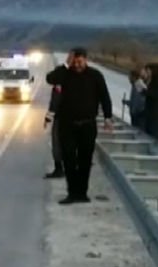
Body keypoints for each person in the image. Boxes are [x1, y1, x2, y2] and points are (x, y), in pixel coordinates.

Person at [46, 47, 112, 205]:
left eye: (79, 61)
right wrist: (65, 65)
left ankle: (82, 193)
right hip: (67, 125)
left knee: (85, 160)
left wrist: (108, 118)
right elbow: (50, 79)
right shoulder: (65, 74)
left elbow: (104, 96)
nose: (77, 64)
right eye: (74, 61)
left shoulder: (95, 75)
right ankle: (72, 193)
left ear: (85, 60)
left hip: (87, 125)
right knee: (69, 159)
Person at [43, 51, 73, 179]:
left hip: (66, 117)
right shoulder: (60, 81)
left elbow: (55, 101)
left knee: (59, 143)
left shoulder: (64, 79)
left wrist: (48, 117)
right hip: (69, 117)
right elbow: (50, 79)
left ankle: (60, 169)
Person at [143, 63, 158, 140]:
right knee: (148, 130)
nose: (147, 72)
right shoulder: (150, 80)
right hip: (149, 110)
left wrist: (146, 92)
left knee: (154, 132)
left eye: (148, 71)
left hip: (156, 111)